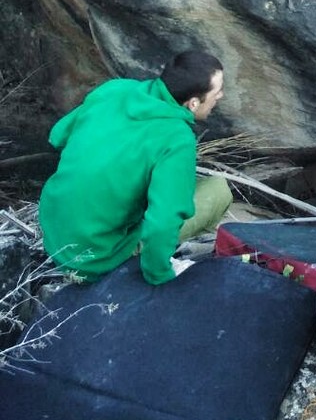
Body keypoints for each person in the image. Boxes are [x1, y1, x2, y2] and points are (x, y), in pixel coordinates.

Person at [39, 49, 234, 284]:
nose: (221, 96)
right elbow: (162, 223)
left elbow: (58, 136)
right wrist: (158, 277)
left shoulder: (115, 89)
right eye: (217, 92)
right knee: (218, 189)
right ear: (193, 103)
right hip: (94, 258)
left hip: (52, 232)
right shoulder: (177, 139)